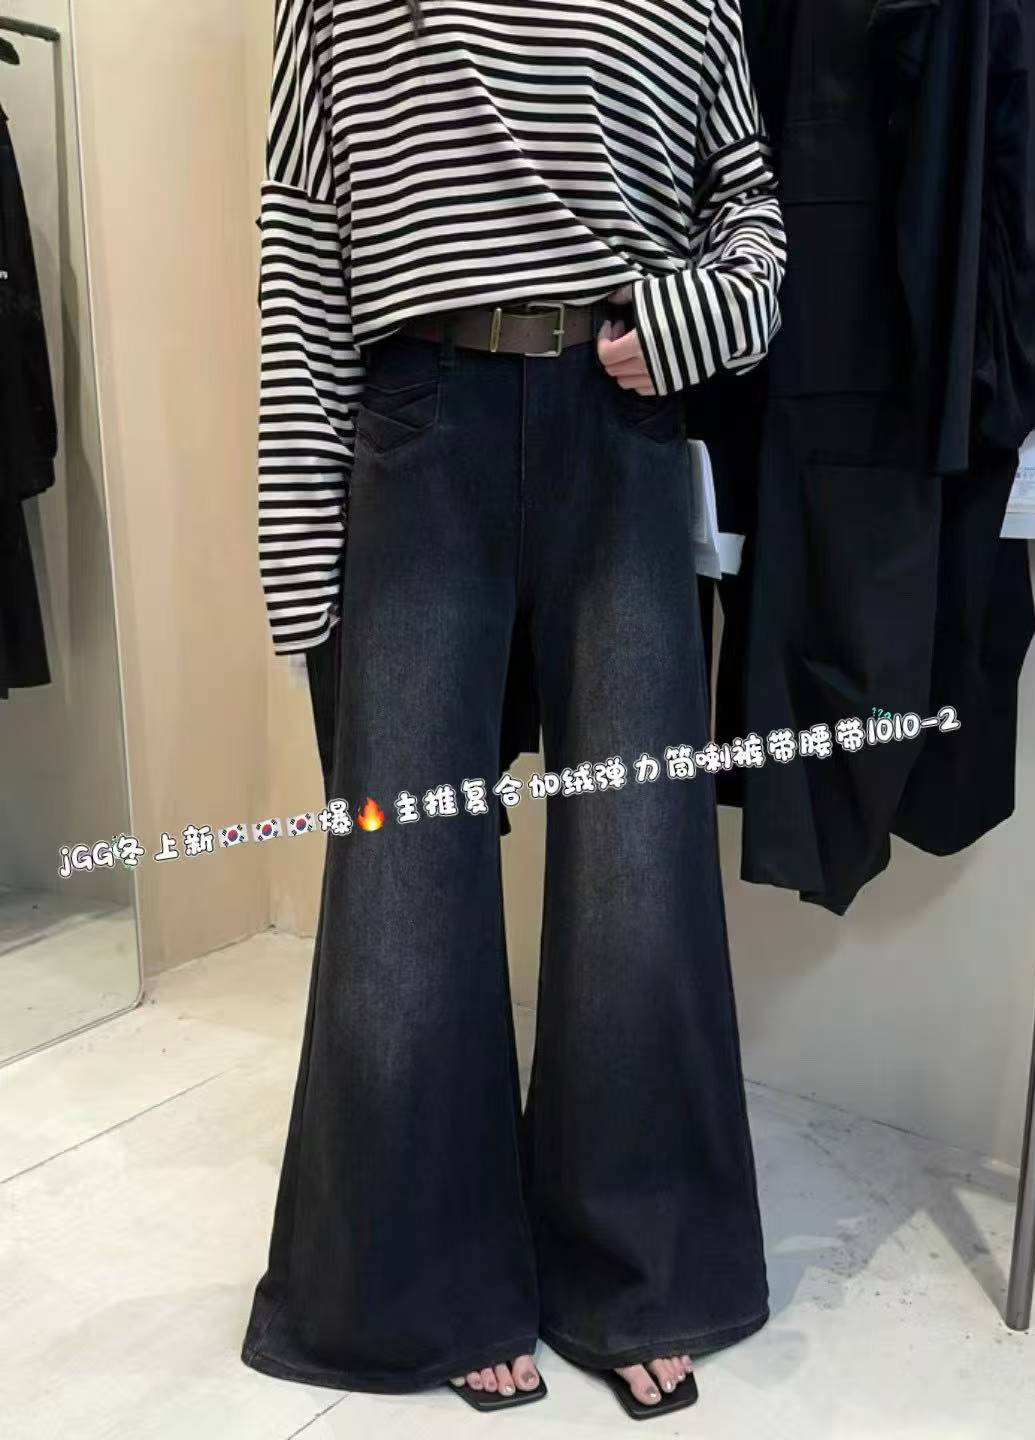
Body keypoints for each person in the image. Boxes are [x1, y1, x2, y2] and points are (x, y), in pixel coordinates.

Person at [241, 0, 786, 1420]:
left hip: (625, 425)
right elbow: (304, 250)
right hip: (420, 419)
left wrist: (686, 322)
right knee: (406, 873)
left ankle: (635, 1267)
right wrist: (297, 546)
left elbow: (755, 228)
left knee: (637, 866)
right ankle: (430, 1282)